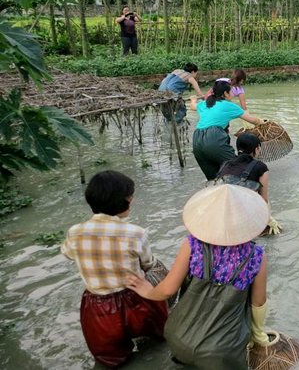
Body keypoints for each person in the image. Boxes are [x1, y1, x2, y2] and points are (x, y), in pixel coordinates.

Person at [125, 184, 276, 369]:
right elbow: (258, 303)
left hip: (179, 337)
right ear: (248, 222)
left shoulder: (192, 245)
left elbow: (168, 290)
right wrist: (258, 334)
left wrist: (147, 291)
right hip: (223, 350)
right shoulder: (256, 256)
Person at [60, 171, 168, 368]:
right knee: (163, 335)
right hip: (138, 299)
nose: (132, 200)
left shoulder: (74, 232)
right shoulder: (136, 233)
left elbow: (67, 253)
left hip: (99, 308)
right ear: (120, 202)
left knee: (111, 360)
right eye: (129, 196)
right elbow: (148, 264)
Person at [190, 80, 264, 180]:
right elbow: (252, 120)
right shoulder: (228, 105)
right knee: (237, 167)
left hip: (197, 140)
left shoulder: (205, 103)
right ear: (225, 93)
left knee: (213, 178)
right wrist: (262, 122)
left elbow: (193, 106)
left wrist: (193, 99)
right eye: (231, 92)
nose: (233, 94)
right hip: (214, 137)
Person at [215, 132, 282, 235]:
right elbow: (263, 199)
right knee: (275, 233)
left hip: (221, 209)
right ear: (256, 149)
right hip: (240, 212)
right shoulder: (261, 167)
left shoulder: (226, 164)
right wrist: (269, 220)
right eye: (259, 148)